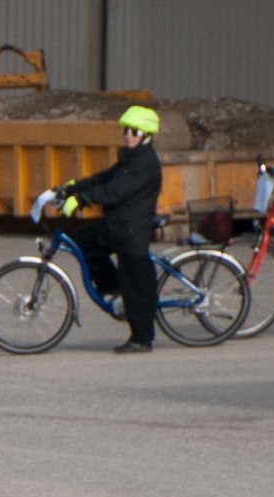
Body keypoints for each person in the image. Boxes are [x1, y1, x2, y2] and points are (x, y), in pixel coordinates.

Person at [53, 105, 164, 354]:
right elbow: (105, 178)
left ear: (146, 135)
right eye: (126, 130)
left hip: (132, 230)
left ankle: (141, 339)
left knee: (136, 283)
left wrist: (81, 200)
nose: (128, 135)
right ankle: (113, 291)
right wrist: (73, 187)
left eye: (134, 131)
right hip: (117, 226)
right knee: (83, 243)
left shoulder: (146, 163)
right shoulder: (130, 158)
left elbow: (115, 191)